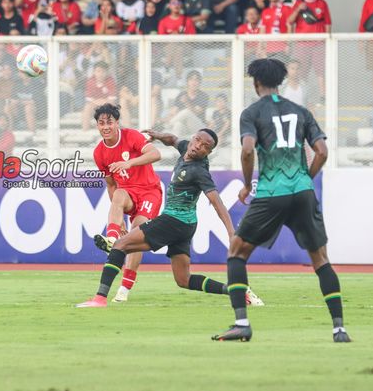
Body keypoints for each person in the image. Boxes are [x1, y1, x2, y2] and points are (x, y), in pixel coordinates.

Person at [213, 58, 350, 343]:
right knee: (320, 258)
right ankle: (339, 329)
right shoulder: (301, 111)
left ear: (255, 83)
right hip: (302, 191)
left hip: (271, 192)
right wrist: (305, 178)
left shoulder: (251, 113)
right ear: (280, 82)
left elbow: (248, 150)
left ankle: (241, 323)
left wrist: (248, 184)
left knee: (237, 252)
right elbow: (322, 151)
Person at [76, 128, 259, 308]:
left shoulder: (199, 171)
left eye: (205, 146)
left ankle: (100, 298)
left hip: (173, 221)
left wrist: (230, 231)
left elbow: (217, 202)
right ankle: (237, 291)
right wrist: (157, 135)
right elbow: (172, 139)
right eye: (197, 140)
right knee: (183, 279)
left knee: (120, 244)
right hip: (186, 225)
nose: (198, 146)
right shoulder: (187, 147)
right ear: (193, 138)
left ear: (208, 153)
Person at [89, 103, 163, 303]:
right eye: (101, 123)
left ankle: (125, 287)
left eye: (109, 122)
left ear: (117, 123)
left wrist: (128, 162)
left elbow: (156, 154)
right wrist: (118, 218)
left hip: (149, 191)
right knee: (119, 194)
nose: (105, 127)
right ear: (97, 125)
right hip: (128, 192)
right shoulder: (99, 153)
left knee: (136, 232)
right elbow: (111, 185)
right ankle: (112, 237)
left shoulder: (131, 136)